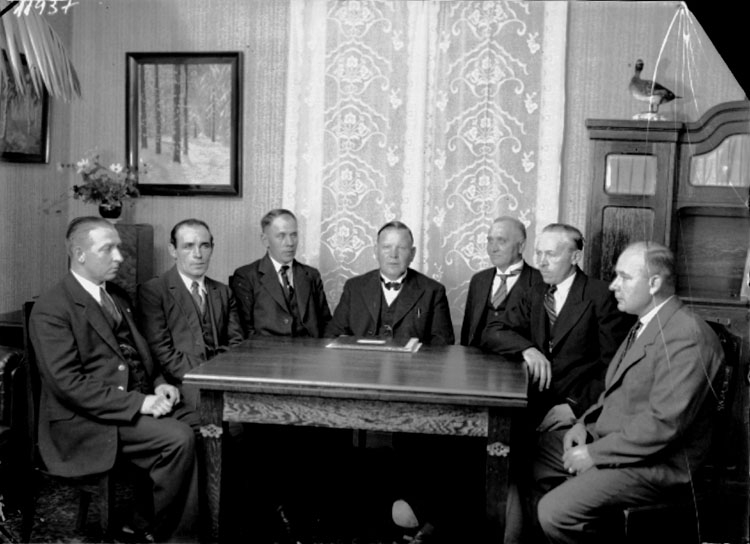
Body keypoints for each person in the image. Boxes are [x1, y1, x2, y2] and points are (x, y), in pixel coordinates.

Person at [535, 241, 724, 543]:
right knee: (529, 454)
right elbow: (616, 392)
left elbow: (664, 424)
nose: (613, 285)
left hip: (657, 464)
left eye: (624, 277)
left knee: (555, 512)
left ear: (654, 283)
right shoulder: (647, 324)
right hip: (620, 442)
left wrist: (594, 453)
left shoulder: (686, 336)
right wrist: (584, 424)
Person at [29, 217, 199, 543]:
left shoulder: (117, 297)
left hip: (129, 404)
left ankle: (146, 521)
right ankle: (175, 538)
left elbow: (140, 353)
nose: (119, 257)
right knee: (177, 438)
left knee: (205, 426)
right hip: (87, 420)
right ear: (80, 254)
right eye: (107, 249)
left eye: (118, 248)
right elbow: (68, 385)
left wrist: (159, 383)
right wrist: (140, 402)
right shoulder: (53, 308)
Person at [481, 222, 633, 543]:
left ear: (575, 257)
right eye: (538, 253)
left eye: (551, 254)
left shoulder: (600, 297)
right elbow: (494, 330)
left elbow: (615, 370)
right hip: (534, 408)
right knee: (502, 456)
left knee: (528, 462)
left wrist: (576, 408)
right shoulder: (534, 290)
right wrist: (528, 348)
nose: (542, 262)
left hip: (580, 412)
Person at [138, 218, 243, 403]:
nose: (198, 254)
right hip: (179, 386)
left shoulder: (224, 292)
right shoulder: (154, 291)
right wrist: (208, 375)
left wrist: (221, 377)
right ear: (173, 250)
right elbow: (162, 353)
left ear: (212, 249)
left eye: (204, 246)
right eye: (188, 246)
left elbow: (236, 345)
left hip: (223, 382)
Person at [327, 220, 454, 345]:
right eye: (386, 247)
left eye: (402, 248)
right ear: (376, 251)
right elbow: (333, 335)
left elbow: (443, 346)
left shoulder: (433, 291)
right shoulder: (354, 287)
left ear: (412, 254)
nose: (393, 255)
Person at [231, 209, 332, 337]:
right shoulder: (246, 277)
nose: (290, 243)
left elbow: (326, 325)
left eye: (293, 235)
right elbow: (244, 332)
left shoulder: (311, 275)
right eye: (281, 236)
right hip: (266, 349)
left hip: (310, 348)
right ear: (265, 240)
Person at [460, 216, 543, 347]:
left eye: (501, 241)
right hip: (476, 357)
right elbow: (467, 333)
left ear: (521, 246)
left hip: (519, 357)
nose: (493, 249)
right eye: (490, 241)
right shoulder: (479, 280)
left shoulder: (540, 281)